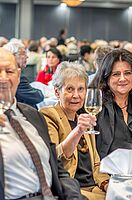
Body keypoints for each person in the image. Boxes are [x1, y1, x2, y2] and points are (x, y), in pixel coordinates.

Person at [0, 48, 86, 200]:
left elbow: (57, 168)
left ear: (19, 76)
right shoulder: (49, 115)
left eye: (9, 71)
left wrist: (74, 197)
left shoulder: (33, 116)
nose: (3, 78)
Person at [40, 62, 110, 200]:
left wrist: (107, 184)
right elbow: (53, 158)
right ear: (56, 92)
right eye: (70, 89)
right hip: (71, 189)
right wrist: (78, 131)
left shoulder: (82, 118)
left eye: (81, 89)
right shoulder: (48, 116)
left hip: (94, 187)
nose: (76, 95)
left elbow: (96, 163)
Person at [91, 48, 132, 159]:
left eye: (127, 73)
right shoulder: (96, 106)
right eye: (116, 74)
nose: (122, 79)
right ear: (106, 77)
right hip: (107, 172)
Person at [3, 40, 44, 109]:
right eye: (24, 53)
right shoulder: (17, 78)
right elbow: (38, 97)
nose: (27, 57)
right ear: (13, 56)